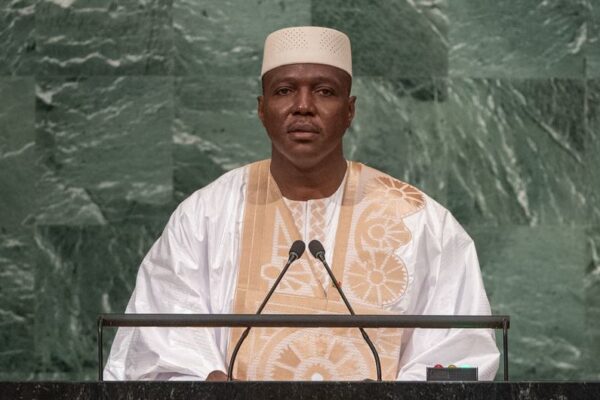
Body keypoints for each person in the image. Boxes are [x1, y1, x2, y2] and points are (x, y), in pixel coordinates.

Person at [104, 26, 500, 382]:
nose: (303, 106)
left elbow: (463, 357)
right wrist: (207, 385)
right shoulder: (205, 216)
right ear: (261, 109)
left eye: (325, 91)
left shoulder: (421, 222)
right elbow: (156, 347)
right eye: (284, 90)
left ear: (350, 110)